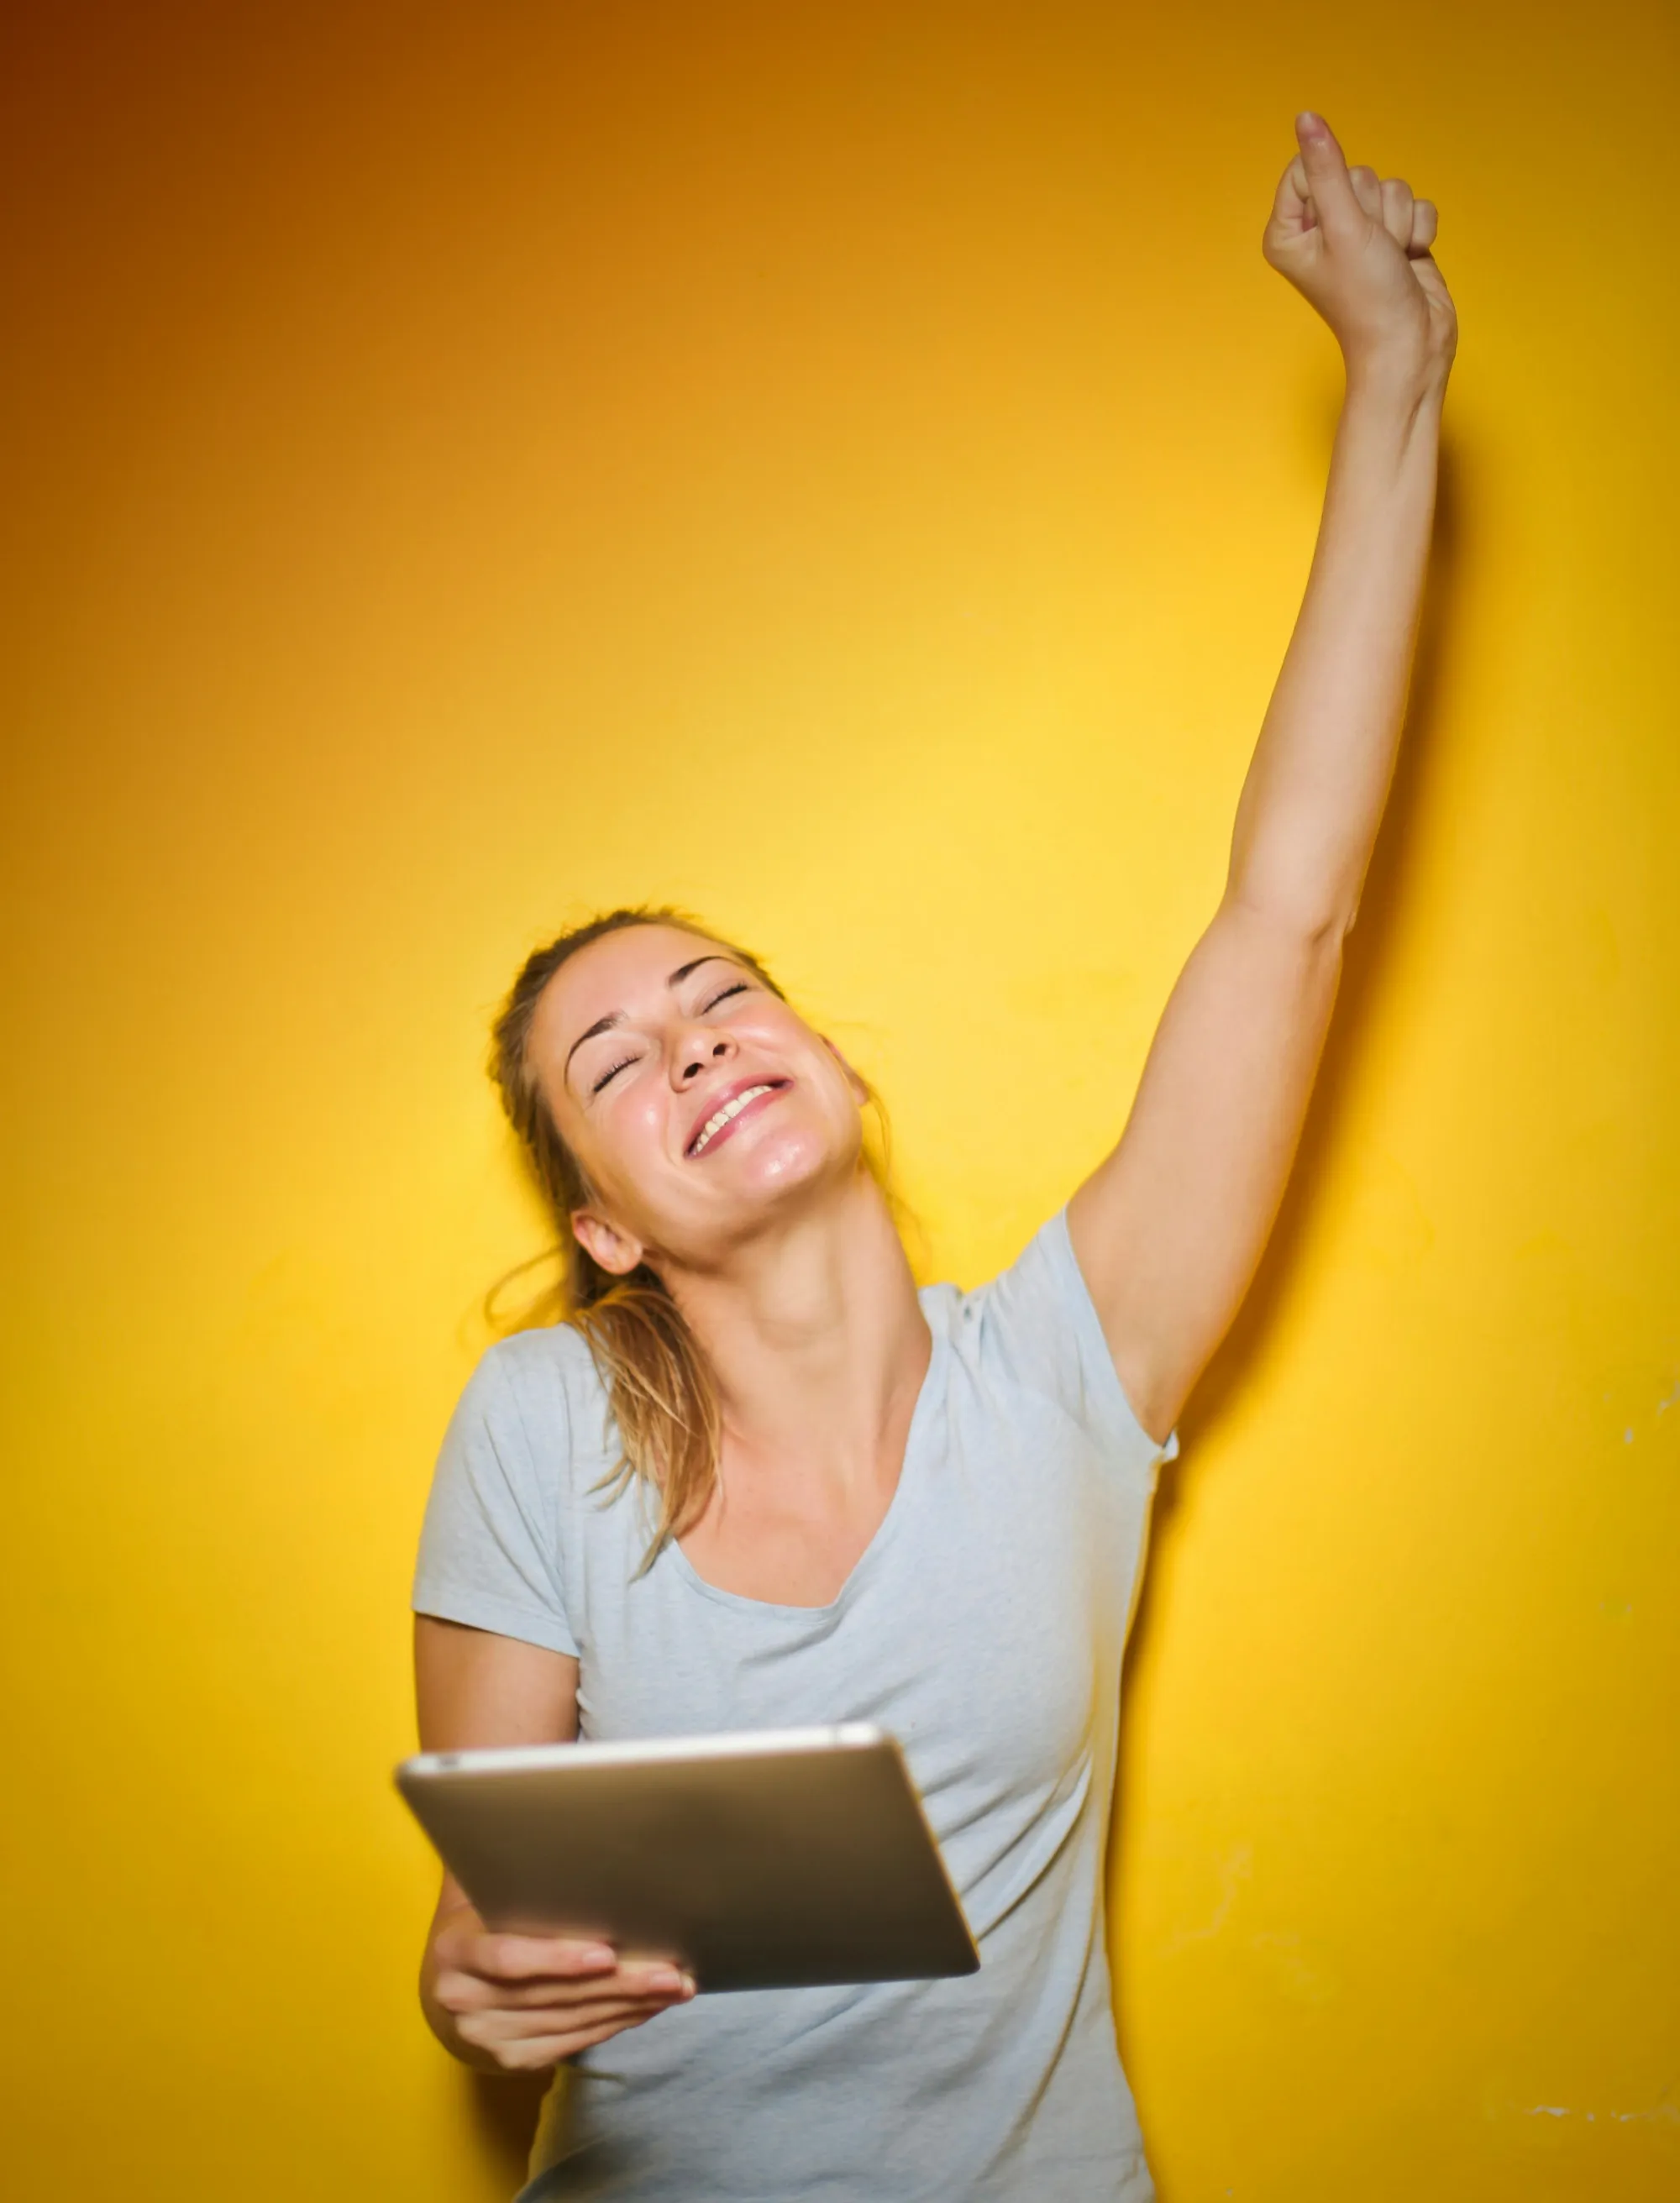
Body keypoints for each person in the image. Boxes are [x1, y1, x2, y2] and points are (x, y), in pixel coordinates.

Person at [408, 110, 1457, 2202]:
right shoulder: (538, 1424)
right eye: (614, 1062)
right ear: (603, 1224)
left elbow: (1291, 905)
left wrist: (1393, 376)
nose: (693, 1042)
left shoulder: (1073, 1371)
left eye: (719, 992)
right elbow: (484, 1925)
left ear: (817, 1053)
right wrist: (471, 1986)